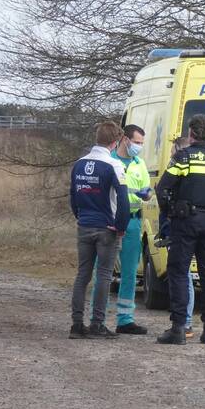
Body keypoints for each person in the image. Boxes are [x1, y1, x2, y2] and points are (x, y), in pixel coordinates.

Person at [154, 114, 205, 345]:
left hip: (185, 221)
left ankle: (178, 328)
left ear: (191, 132)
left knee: (179, 272)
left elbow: (163, 189)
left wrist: (170, 210)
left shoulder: (184, 157)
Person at [68, 121, 130, 339]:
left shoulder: (79, 164)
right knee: (104, 275)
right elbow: (123, 199)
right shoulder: (114, 165)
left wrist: (81, 216)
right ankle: (97, 324)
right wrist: (121, 226)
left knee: (82, 274)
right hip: (107, 227)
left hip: (84, 224)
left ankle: (76, 325)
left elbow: (73, 196)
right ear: (115, 142)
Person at [89, 124, 152, 334]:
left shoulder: (139, 163)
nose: (139, 146)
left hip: (133, 222)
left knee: (130, 273)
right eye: (136, 142)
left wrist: (146, 195)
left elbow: (144, 189)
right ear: (124, 139)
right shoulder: (109, 161)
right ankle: (98, 317)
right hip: (110, 222)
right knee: (103, 272)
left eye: (142, 143)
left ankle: (125, 319)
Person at [155, 136, 197, 339]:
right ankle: (185, 321)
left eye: (173, 150)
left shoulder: (180, 171)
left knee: (183, 276)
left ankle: (185, 323)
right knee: (185, 275)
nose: (171, 154)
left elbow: (163, 193)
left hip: (178, 228)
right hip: (179, 227)